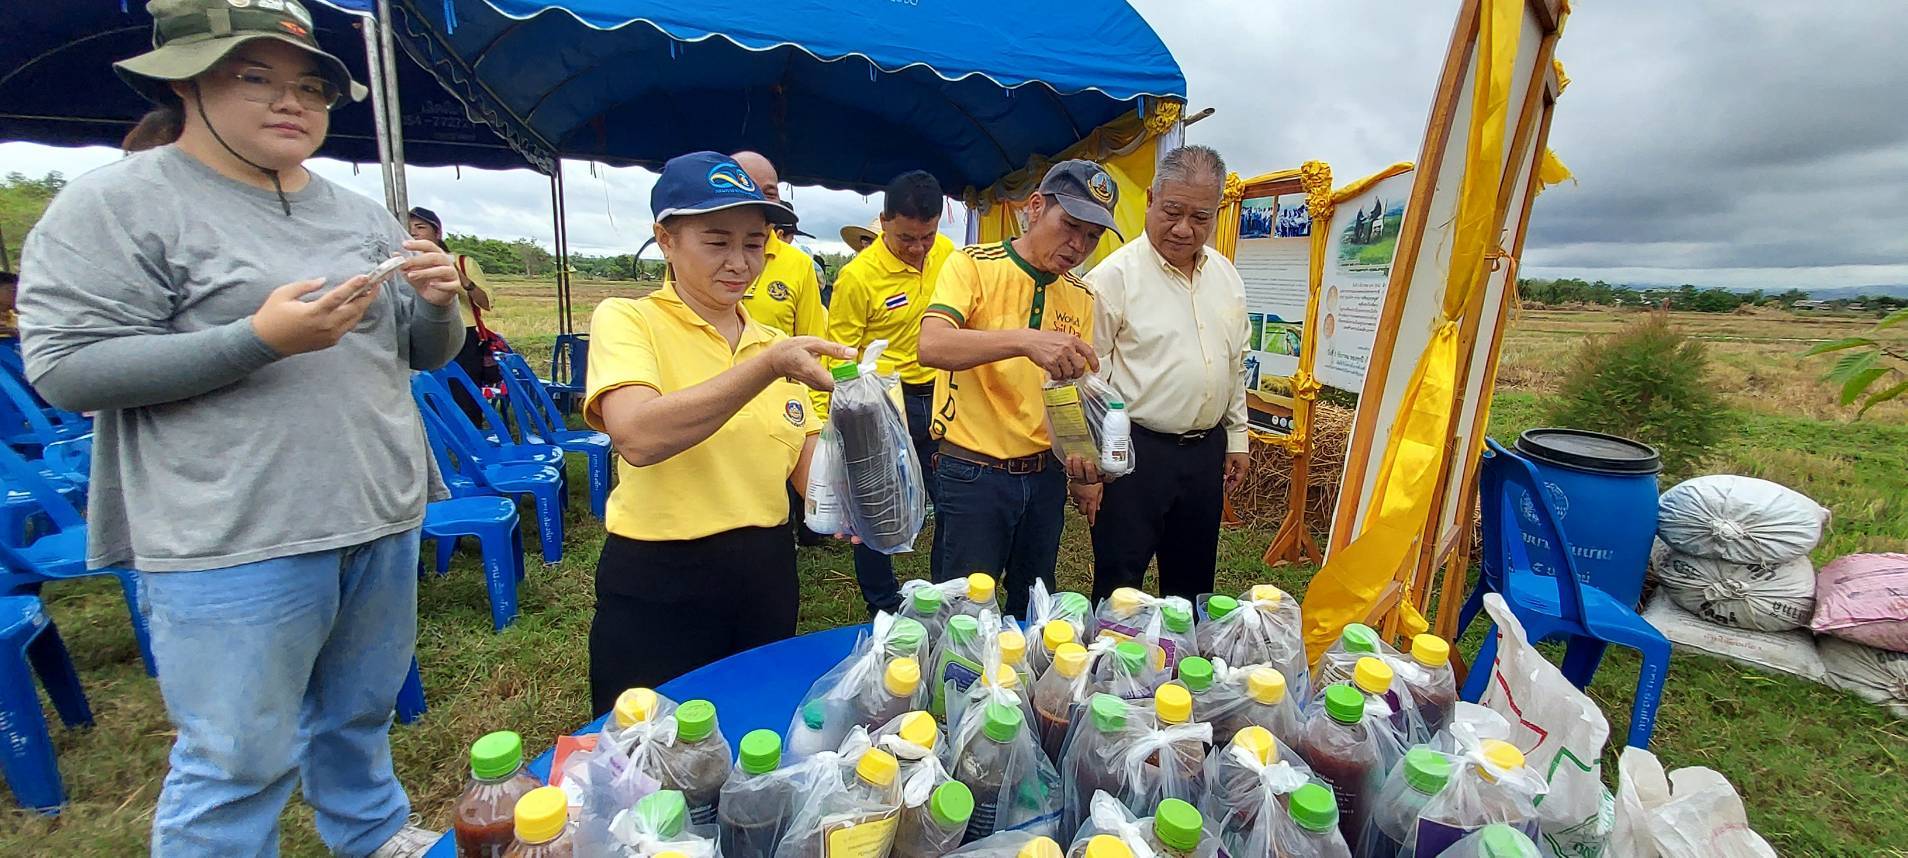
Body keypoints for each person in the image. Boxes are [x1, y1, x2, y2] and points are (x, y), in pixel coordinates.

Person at [15, 2, 466, 855]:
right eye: (252, 77)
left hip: (378, 503)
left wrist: (439, 304)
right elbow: (67, 367)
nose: (289, 102)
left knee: (359, 713)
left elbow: (419, 351)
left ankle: (369, 832)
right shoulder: (115, 206)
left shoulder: (356, 211)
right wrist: (256, 341)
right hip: (234, 530)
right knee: (237, 757)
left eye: (309, 86)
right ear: (185, 81)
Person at [583, 151, 853, 715]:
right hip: (660, 577)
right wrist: (766, 368)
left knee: (753, 730)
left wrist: (862, 485)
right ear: (666, 239)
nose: (739, 262)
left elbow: (808, 470)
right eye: (716, 241)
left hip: (764, 571)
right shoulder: (629, 320)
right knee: (647, 753)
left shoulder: (774, 341)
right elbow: (637, 435)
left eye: (754, 243)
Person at [919, 160, 1117, 618]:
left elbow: (1067, 390)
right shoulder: (972, 264)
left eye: (1092, 236)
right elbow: (931, 345)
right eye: (1069, 225)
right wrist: (1025, 341)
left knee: (1034, 606)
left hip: (1044, 476)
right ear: (1034, 207)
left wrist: (1080, 470)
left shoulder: (1081, 296)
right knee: (965, 611)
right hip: (973, 471)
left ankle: (1022, 688)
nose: (1078, 245)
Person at [1073, 146, 1249, 603]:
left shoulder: (1226, 277)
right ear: (1151, 198)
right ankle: (1111, 670)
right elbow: (1090, 384)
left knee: (1192, 587)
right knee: (1119, 584)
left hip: (1203, 454)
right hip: (1134, 454)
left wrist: (1237, 438)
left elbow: (1235, 363)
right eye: (1172, 211)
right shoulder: (1113, 278)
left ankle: (1183, 669)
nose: (1184, 229)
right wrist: (1093, 466)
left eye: (1201, 217)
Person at [824, 170, 956, 614]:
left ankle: (943, 593)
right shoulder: (858, 278)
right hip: (883, 403)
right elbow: (840, 356)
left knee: (952, 499)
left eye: (927, 237)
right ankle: (882, 601)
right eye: (906, 238)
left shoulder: (950, 258)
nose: (918, 249)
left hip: (940, 396)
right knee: (879, 501)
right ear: (883, 222)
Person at [731, 151, 832, 545]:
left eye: (768, 192)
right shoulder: (630, 319)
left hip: (782, 416)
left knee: (773, 519)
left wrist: (817, 425)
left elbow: (813, 346)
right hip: (717, 420)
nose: (737, 264)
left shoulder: (797, 264)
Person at [407, 206, 500, 423]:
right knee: (424, 392)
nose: (413, 233)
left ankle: (471, 444)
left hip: (462, 336)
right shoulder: (403, 263)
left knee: (464, 395)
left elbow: (486, 302)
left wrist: (459, 278)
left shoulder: (463, 262)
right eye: (409, 228)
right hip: (419, 334)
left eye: (420, 227)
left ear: (437, 233)